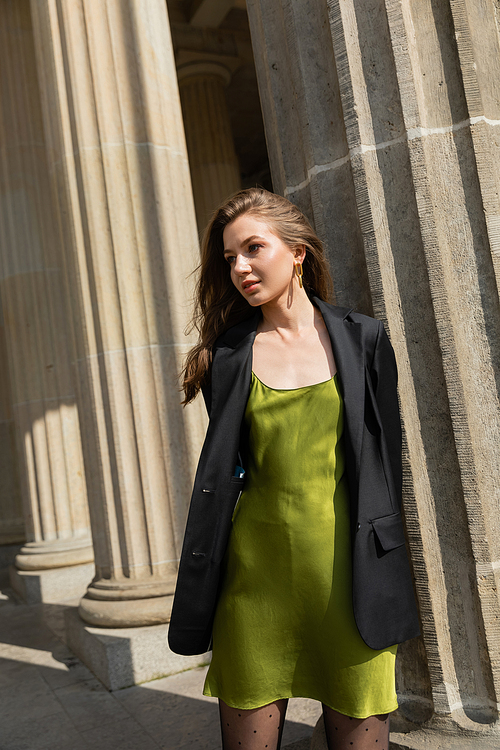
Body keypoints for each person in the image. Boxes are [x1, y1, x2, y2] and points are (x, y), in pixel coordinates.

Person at [168, 188, 420, 750]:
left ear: (298, 250)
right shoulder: (227, 357)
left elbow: (384, 462)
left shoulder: (364, 339)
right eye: (229, 257)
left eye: (254, 248)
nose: (239, 267)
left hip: (351, 581)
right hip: (255, 586)